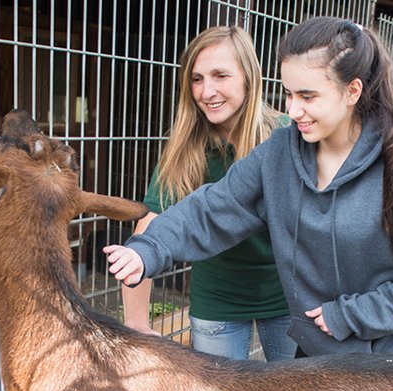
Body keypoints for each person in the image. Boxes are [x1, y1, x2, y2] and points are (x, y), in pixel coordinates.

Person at [105, 16, 393, 361]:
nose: (292, 110)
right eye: (288, 94)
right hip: (316, 350)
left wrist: (352, 315)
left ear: (352, 91)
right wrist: (149, 249)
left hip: (392, 360)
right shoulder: (279, 154)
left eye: (307, 97)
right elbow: (214, 208)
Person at [123, 26, 296, 361]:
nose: (207, 91)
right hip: (218, 298)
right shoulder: (187, 149)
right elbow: (149, 224)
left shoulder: (287, 135)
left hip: (286, 295)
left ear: (249, 78)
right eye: (197, 79)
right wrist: (136, 321)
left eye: (220, 75)